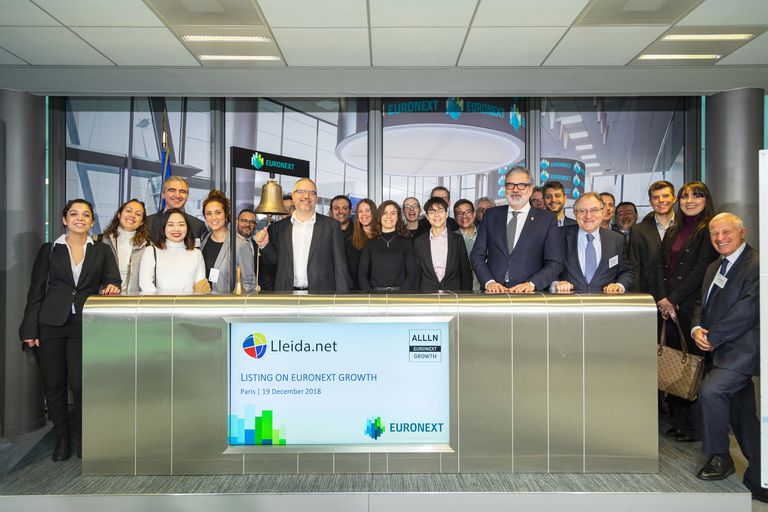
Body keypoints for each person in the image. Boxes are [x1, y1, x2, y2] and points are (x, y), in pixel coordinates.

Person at [19, 199, 121, 462]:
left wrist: (111, 286)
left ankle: (83, 437)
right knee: (54, 385)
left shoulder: (101, 250)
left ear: (91, 221)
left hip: (83, 324)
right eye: (74, 214)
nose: (80, 218)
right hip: (49, 324)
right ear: (65, 219)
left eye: (85, 215)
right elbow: (36, 291)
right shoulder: (50, 250)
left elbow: (113, 278)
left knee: (80, 383)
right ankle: (62, 439)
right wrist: (30, 327)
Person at [691, 213, 765, 502]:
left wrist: (713, 336)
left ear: (742, 233)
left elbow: (748, 310)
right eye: (715, 234)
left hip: (742, 350)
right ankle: (761, 478)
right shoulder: (713, 267)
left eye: (726, 232)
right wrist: (697, 328)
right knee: (743, 415)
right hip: (719, 349)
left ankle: (719, 457)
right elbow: (701, 303)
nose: (720, 238)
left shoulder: (757, 264)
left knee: (711, 391)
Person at [656, 181, 718, 443]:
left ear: (706, 200)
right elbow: (659, 265)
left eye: (696, 196)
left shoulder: (709, 230)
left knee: (693, 364)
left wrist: (674, 298)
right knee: (672, 359)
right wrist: (662, 299)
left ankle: (693, 425)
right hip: (668, 307)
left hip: (692, 307)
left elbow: (702, 269)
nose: (689, 201)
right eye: (684, 196)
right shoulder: (674, 229)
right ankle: (679, 421)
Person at [471, 167, 564, 294]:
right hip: (493, 293)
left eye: (521, 185)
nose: (515, 189)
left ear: (530, 189)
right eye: (510, 185)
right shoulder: (491, 215)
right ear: (505, 188)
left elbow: (555, 262)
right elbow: (477, 255)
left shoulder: (546, 219)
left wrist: (532, 284)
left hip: (529, 295)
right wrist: (489, 282)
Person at [255, 178, 350, 292]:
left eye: (312, 192)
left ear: (316, 198)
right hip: (286, 294)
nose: (306, 196)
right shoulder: (278, 228)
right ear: (293, 196)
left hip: (322, 295)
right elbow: (273, 263)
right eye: (301, 191)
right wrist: (264, 245)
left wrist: (342, 299)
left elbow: (340, 267)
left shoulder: (331, 226)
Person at [552, 192, 633, 294]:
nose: (588, 216)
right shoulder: (558, 236)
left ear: (602, 212)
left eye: (594, 210)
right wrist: (556, 283)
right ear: (575, 213)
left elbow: (626, 272)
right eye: (582, 211)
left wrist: (619, 285)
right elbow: (548, 267)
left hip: (604, 303)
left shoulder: (616, 239)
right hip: (569, 303)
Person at [138, 208, 209, 293]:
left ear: (187, 227)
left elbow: (200, 287)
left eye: (181, 225)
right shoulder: (151, 251)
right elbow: (145, 284)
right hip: (161, 304)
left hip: (189, 304)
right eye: (170, 225)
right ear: (163, 227)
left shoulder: (196, 253)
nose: (176, 229)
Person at [200, 190, 256, 293]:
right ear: (204, 217)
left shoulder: (240, 245)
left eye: (218, 213)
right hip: (204, 302)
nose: (213, 218)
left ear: (226, 215)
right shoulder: (204, 239)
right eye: (208, 213)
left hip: (228, 305)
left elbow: (250, 285)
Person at [413, 197, 472, 292]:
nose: (436, 215)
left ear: (446, 214)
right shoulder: (419, 241)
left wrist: (466, 297)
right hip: (427, 294)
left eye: (440, 211)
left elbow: (465, 273)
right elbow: (416, 274)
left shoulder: (457, 240)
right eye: (432, 212)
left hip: (453, 295)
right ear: (427, 217)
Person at [627, 181, 676, 294]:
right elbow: (634, 269)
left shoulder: (685, 228)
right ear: (650, 202)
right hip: (649, 297)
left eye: (665, 196)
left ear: (674, 198)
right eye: (656, 197)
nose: (661, 201)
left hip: (681, 298)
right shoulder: (638, 230)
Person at [358, 200, 417, 292]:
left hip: (400, 295)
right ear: (379, 217)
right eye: (385, 213)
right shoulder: (370, 244)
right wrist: (370, 295)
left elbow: (412, 273)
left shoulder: (406, 243)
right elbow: (361, 274)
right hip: (375, 296)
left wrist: (402, 296)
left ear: (398, 217)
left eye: (393, 213)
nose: (388, 216)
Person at [98, 199, 150, 292]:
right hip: (105, 300)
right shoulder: (100, 241)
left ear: (142, 222)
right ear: (119, 215)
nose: (132, 216)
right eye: (128, 211)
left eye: (138, 214)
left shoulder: (148, 246)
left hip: (134, 302)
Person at [145, 175, 207, 244]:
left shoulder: (199, 226)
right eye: (172, 190)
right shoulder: (147, 223)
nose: (177, 195)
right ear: (163, 194)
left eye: (182, 191)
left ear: (187, 196)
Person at [346, 198, 379, 290]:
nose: (363, 214)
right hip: (361, 291)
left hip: (382, 288)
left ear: (374, 212)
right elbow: (354, 272)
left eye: (367, 210)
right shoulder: (351, 241)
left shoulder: (383, 237)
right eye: (360, 211)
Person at [454, 199, 480, 291]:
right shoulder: (450, 239)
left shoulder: (485, 235)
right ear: (455, 217)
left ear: (474, 214)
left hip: (484, 287)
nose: (464, 216)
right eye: (460, 213)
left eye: (468, 212)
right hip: (459, 288)